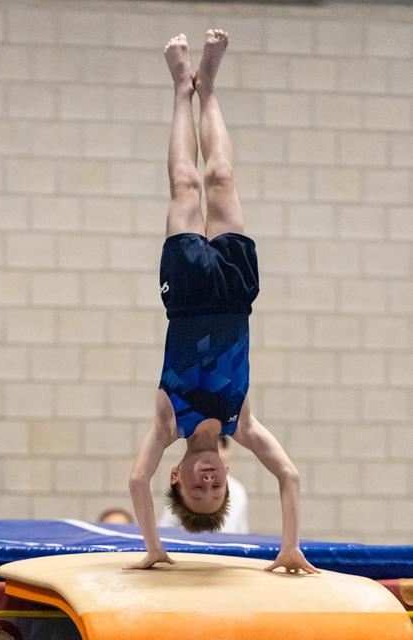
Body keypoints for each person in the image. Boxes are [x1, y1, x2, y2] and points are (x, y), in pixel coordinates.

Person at [126, 29, 320, 576]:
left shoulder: (169, 425)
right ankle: (208, 86)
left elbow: (137, 480)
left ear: (178, 477)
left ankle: (178, 89)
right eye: (217, 489)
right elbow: (289, 475)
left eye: (198, 488)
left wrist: (154, 546)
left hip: (185, 299)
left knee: (186, 182)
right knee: (222, 175)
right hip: (236, 296)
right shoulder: (243, 422)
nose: (209, 481)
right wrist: (288, 545)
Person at [159, 436, 249, 533]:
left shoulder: (167, 429)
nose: (208, 480)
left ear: (176, 474)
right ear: (225, 473)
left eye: (198, 487)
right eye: (216, 486)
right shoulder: (243, 427)